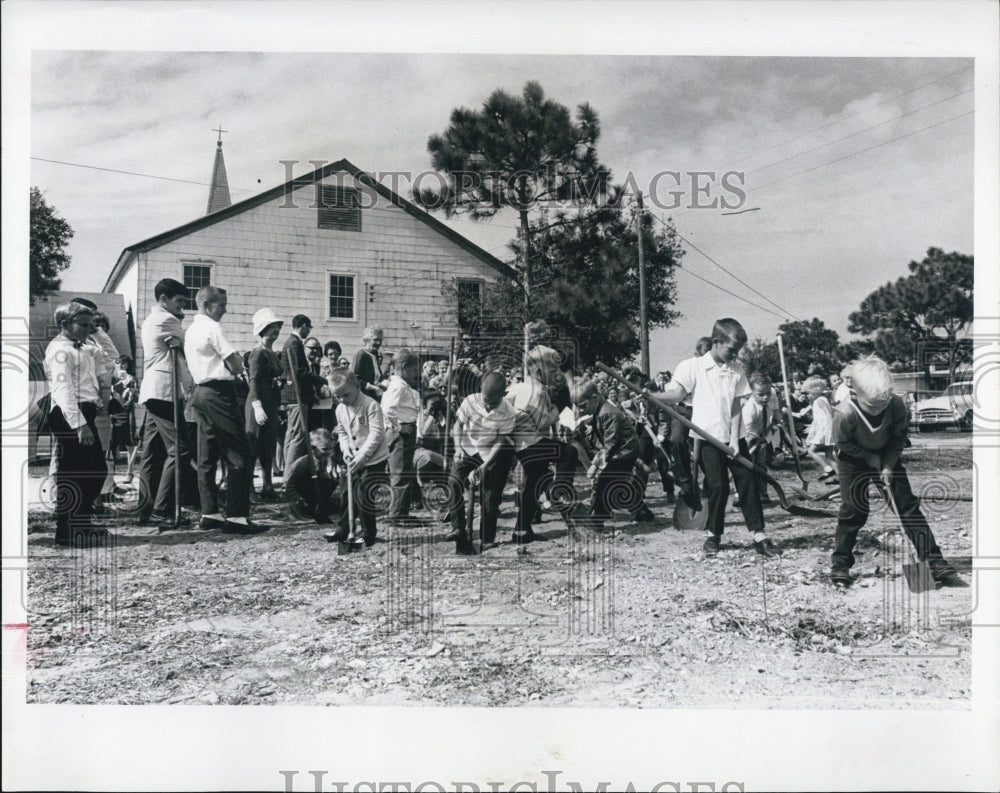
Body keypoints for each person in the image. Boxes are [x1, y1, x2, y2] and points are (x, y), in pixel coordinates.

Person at [830, 356, 965, 588]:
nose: (879, 408)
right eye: (873, 405)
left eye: (883, 403)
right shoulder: (845, 414)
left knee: (907, 507)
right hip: (852, 460)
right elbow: (843, 444)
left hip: (886, 456)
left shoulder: (895, 405)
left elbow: (898, 437)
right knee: (853, 511)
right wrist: (867, 457)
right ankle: (840, 563)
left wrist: (888, 464)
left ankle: (934, 561)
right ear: (855, 392)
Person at [661, 318, 779, 558]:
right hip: (707, 439)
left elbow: (736, 406)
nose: (735, 355)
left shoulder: (736, 369)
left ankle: (759, 534)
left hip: (735, 438)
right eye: (731, 350)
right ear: (716, 342)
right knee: (718, 486)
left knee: (747, 481)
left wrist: (735, 440)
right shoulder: (692, 367)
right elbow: (675, 395)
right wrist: (648, 394)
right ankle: (713, 534)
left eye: (737, 351)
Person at [184, 285, 268, 534]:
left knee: (206, 455)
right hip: (218, 392)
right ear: (206, 305)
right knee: (238, 452)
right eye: (221, 305)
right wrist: (237, 365)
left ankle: (209, 512)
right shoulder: (212, 327)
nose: (225, 310)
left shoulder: (191, 330)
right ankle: (237, 516)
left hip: (200, 392)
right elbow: (234, 363)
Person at [44, 302, 110, 546]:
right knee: (72, 475)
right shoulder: (61, 351)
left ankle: (80, 524)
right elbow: (63, 390)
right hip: (70, 414)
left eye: (90, 324)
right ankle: (67, 532)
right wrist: (79, 424)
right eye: (83, 325)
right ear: (64, 325)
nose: (88, 329)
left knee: (94, 471)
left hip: (84, 412)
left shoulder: (83, 347)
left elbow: (106, 363)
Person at [136, 278, 196, 528]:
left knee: (152, 453)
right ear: (163, 299)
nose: (183, 307)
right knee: (180, 451)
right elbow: (191, 344)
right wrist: (180, 338)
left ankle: (145, 510)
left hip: (153, 392)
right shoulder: (166, 320)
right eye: (179, 302)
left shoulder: (152, 320)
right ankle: (162, 510)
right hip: (164, 393)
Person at [505, 345, 579, 543]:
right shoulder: (535, 393)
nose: (556, 374)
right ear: (538, 371)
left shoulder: (523, 388)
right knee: (569, 452)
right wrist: (557, 410)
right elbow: (543, 422)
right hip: (531, 444)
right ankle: (560, 491)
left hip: (523, 444)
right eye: (553, 370)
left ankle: (521, 530)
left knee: (533, 486)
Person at [448, 371, 516, 549]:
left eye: (492, 401)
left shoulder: (508, 411)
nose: (487, 404)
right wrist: (458, 449)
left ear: (504, 394)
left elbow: (500, 441)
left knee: (490, 496)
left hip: (491, 451)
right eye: (485, 399)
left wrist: (486, 466)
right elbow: (458, 425)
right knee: (453, 481)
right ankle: (458, 528)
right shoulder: (470, 401)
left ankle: (487, 538)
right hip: (467, 449)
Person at [326, 368, 389, 546]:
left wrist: (362, 456)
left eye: (345, 395)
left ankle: (368, 533)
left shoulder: (371, 405)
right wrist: (346, 450)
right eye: (337, 396)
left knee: (363, 494)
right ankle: (343, 528)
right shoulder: (340, 409)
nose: (342, 400)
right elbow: (343, 433)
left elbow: (376, 434)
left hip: (374, 459)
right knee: (346, 492)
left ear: (357, 386)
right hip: (352, 458)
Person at [570, 378, 642, 528]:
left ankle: (598, 519)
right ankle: (641, 511)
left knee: (605, 482)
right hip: (622, 452)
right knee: (619, 485)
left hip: (625, 453)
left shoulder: (607, 413)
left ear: (595, 398)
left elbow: (611, 442)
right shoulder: (600, 409)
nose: (581, 410)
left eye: (583, 406)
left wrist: (599, 465)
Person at [280, 315, 328, 475]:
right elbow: (299, 372)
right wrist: (320, 379)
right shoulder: (294, 343)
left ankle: (288, 475)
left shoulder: (293, 343)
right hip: (296, 397)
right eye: (309, 327)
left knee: (291, 435)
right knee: (298, 437)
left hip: (295, 397)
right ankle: (289, 477)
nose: (309, 331)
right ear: (303, 326)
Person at [246, 308, 285, 501]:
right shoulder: (258, 353)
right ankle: (250, 488)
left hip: (270, 402)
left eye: (277, 327)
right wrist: (257, 404)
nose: (275, 330)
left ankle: (268, 485)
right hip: (258, 402)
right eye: (271, 327)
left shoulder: (272, 353)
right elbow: (253, 380)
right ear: (262, 329)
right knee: (254, 444)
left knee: (268, 444)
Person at [381, 349, 422, 521]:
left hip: (405, 430)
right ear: (404, 367)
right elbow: (386, 409)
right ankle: (397, 515)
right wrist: (399, 428)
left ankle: (402, 512)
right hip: (401, 433)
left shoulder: (401, 386)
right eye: (414, 370)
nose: (416, 374)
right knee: (399, 473)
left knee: (405, 471)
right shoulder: (397, 386)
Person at [285, 428, 342, 524]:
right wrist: (300, 501)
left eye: (330, 448)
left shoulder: (327, 461)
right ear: (313, 448)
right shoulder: (304, 463)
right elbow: (290, 488)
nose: (329, 452)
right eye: (324, 449)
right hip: (303, 500)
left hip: (317, 498)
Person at [742, 372, 780, 504]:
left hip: (763, 436)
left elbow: (775, 409)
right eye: (761, 394)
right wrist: (749, 446)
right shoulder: (749, 410)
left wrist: (776, 415)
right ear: (752, 392)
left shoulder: (772, 395)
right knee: (746, 466)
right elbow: (746, 433)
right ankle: (740, 494)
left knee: (761, 465)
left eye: (767, 393)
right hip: (748, 438)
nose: (765, 397)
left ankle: (763, 493)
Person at [801, 375, 837, 481]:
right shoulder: (822, 399)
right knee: (829, 454)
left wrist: (830, 431)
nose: (809, 395)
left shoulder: (820, 400)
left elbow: (829, 414)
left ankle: (828, 469)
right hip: (825, 429)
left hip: (825, 430)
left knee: (811, 451)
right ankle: (840, 477)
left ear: (816, 389)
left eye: (810, 392)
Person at [352, 325, 385, 401]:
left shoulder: (375, 354)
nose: (378, 343)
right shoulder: (361, 355)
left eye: (380, 340)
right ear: (367, 340)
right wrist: (373, 387)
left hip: (375, 396)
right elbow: (355, 379)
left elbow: (376, 377)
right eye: (375, 340)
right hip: (363, 397)